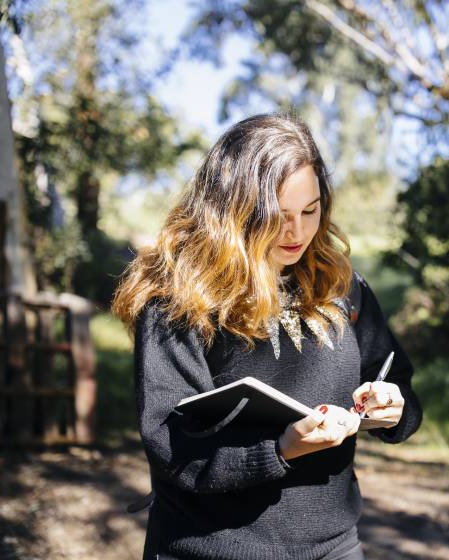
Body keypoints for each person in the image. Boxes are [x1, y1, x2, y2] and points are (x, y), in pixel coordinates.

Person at [111, 113, 422, 560]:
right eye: (278, 216)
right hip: (206, 550)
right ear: (232, 208)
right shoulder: (177, 298)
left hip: (334, 548)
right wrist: (279, 449)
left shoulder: (341, 286)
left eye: (310, 212)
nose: (297, 232)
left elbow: (401, 388)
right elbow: (169, 443)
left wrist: (393, 409)